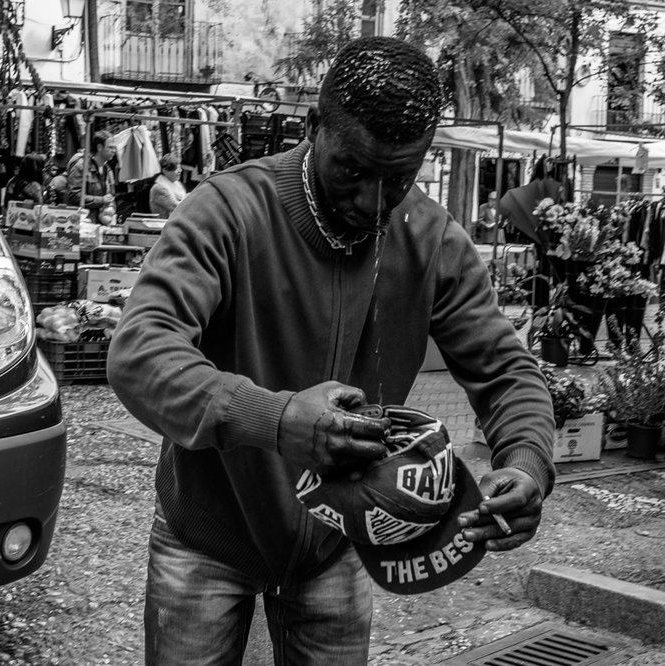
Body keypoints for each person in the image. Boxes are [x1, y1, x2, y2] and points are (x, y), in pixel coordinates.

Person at [106, 36, 555, 665]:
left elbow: (507, 372)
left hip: (338, 541)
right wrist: (280, 419)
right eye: (352, 169)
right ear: (313, 127)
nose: (373, 201)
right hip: (208, 536)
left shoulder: (433, 242)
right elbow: (140, 353)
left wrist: (527, 464)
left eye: (399, 178)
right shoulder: (228, 211)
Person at [68, 130, 117, 223]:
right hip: (84, 222)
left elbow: (111, 196)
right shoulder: (81, 167)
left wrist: (111, 207)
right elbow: (74, 196)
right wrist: (101, 200)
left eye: (114, 148)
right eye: (110, 147)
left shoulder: (108, 170)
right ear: (99, 147)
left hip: (102, 223)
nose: (114, 151)